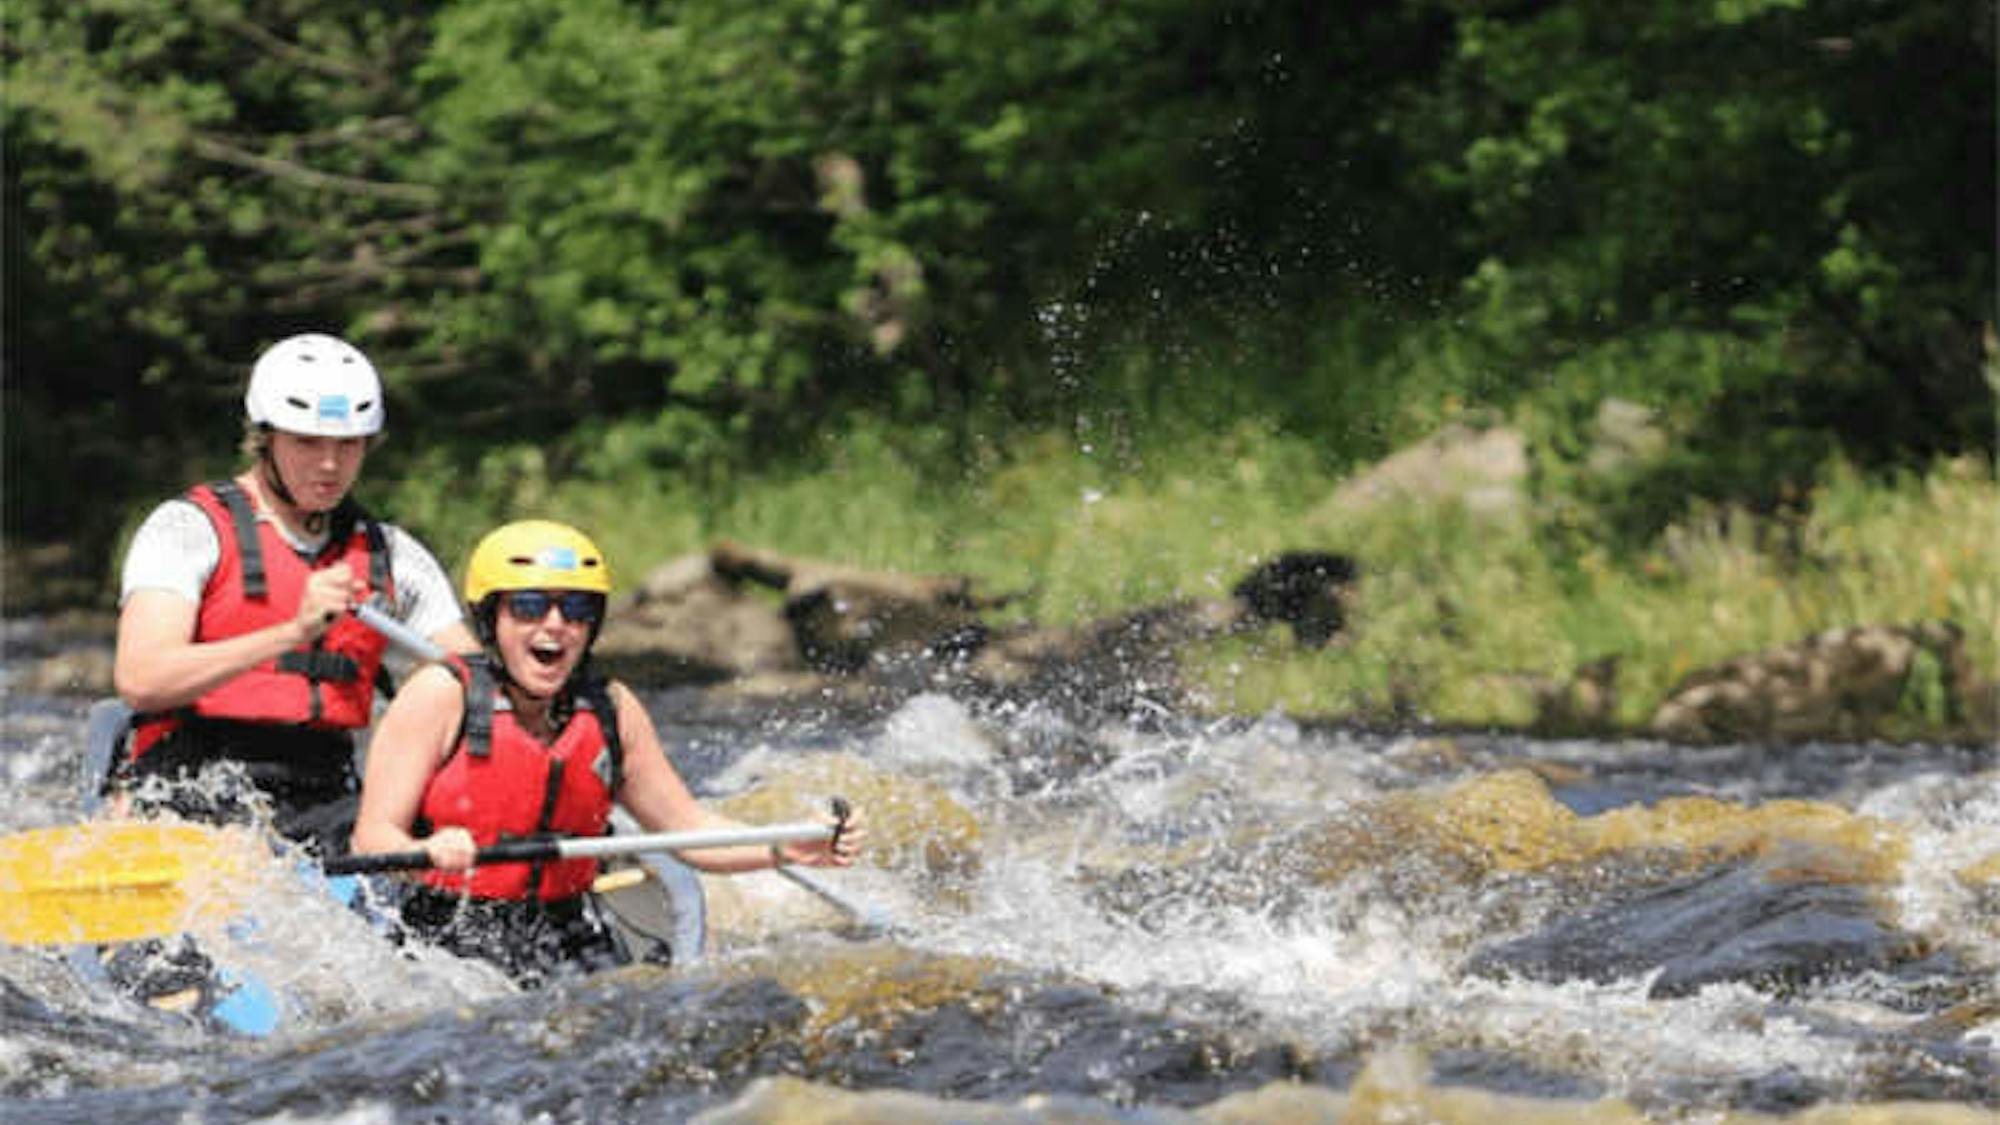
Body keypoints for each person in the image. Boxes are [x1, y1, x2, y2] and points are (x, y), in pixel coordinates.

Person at [351, 519, 864, 986]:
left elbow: (688, 830)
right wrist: (426, 853)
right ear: (492, 619)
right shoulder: (439, 695)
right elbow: (372, 841)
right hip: (444, 929)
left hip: (569, 929)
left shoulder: (613, 711)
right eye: (530, 606)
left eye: (576, 610)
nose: (555, 624)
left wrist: (784, 848)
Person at [111, 332, 478, 856]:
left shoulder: (392, 555)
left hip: (324, 793)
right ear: (266, 438)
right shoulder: (186, 530)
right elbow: (141, 680)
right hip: (191, 782)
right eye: (308, 442)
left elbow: (473, 682)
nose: (330, 464)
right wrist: (291, 634)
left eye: (348, 445)